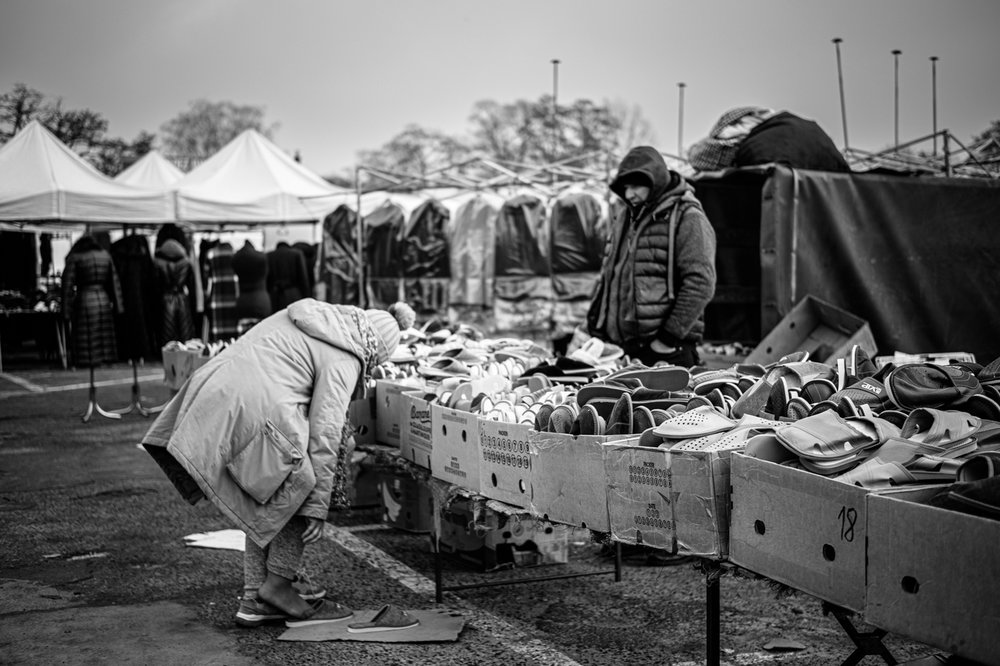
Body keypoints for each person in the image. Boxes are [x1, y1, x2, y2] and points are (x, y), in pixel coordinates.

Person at [140, 299, 416, 627]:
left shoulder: (319, 318)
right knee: (299, 481)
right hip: (245, 404)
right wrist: (318, 504)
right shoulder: (346, 356)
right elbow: (325, 433)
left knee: (262, 488)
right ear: (374, 353)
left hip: (215, 392)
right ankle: (278, 586)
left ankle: (254, 597)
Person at [586, 146, 717, 369]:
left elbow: (701, 282)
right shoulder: (626, 217)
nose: (629, 194)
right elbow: (609, 276)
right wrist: (595, 326)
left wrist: (667, 339)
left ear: (655, 180)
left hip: (667, 352)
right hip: (624, 351)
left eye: (636, 186)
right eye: (626, 187)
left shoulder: (688, 216)